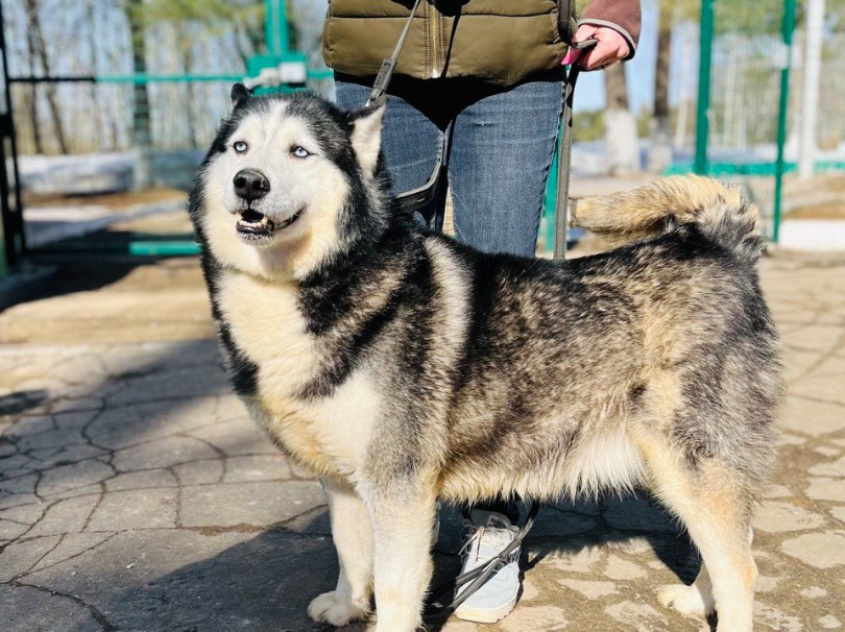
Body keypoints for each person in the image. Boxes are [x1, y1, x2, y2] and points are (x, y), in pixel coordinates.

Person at [322, 0, 641, 623]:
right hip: (380, 40)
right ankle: (359, 560)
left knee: (501, 317)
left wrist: (612, 9)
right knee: (370, 311)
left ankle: (492, 518)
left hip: (516, 51)